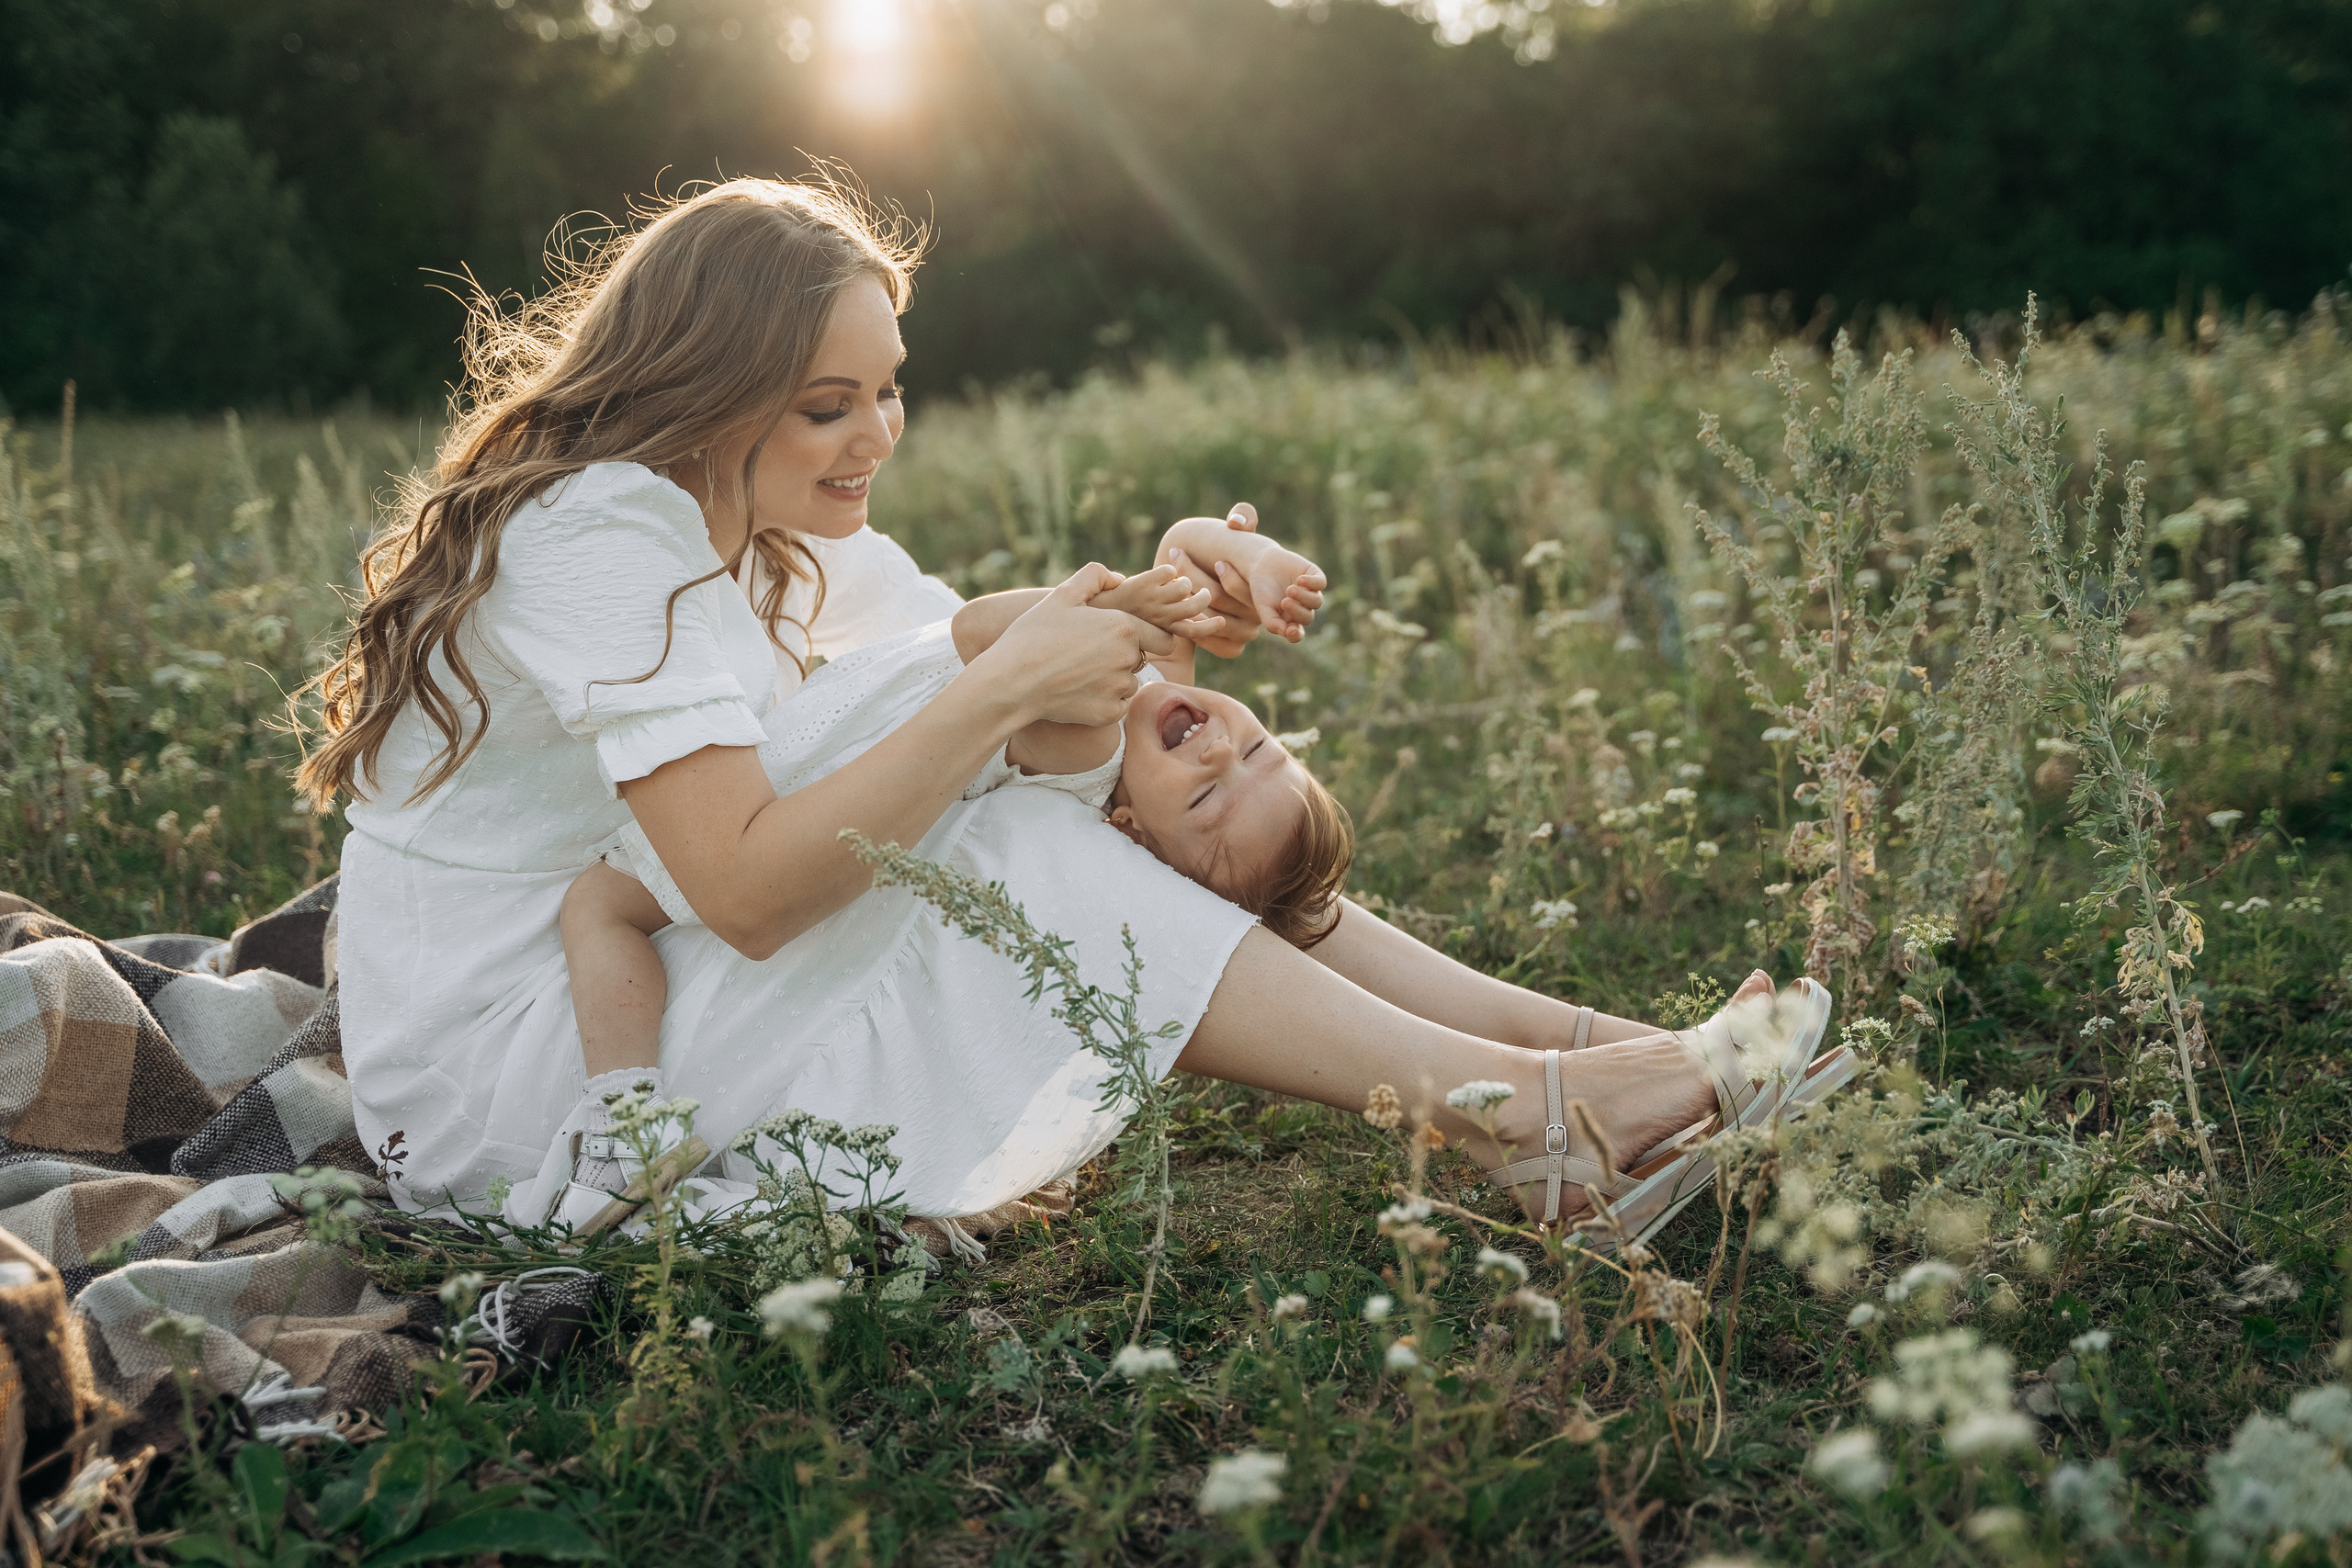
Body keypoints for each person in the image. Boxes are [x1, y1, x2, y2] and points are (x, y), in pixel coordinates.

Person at [303, 175, 1838, 1244]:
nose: (875, 435)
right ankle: (1538, 1112)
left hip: (620, 978)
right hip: (518, 1079)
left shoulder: (745, 521)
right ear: (702, 386)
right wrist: (1013, 691)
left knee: (1022, 756)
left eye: (888, 389)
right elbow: (749, 892)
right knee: (1024, 835)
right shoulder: (600, 532)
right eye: (827, 405)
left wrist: (1163, 587)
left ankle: (1593, 1048)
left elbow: (956, 636)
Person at [550, 523, 1343, 1224]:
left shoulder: (1095, 744)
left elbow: (1000, 626)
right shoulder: (1152, 689)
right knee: (611, 900)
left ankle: (622, 1118)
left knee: (600, 904)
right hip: (827, 747)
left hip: (816, 784)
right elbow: (1184, 546)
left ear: (1133, 831)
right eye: (1256, 750)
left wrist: (1139, 600)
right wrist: (1252, 557)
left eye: (1206, 795)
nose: (1216, 750)